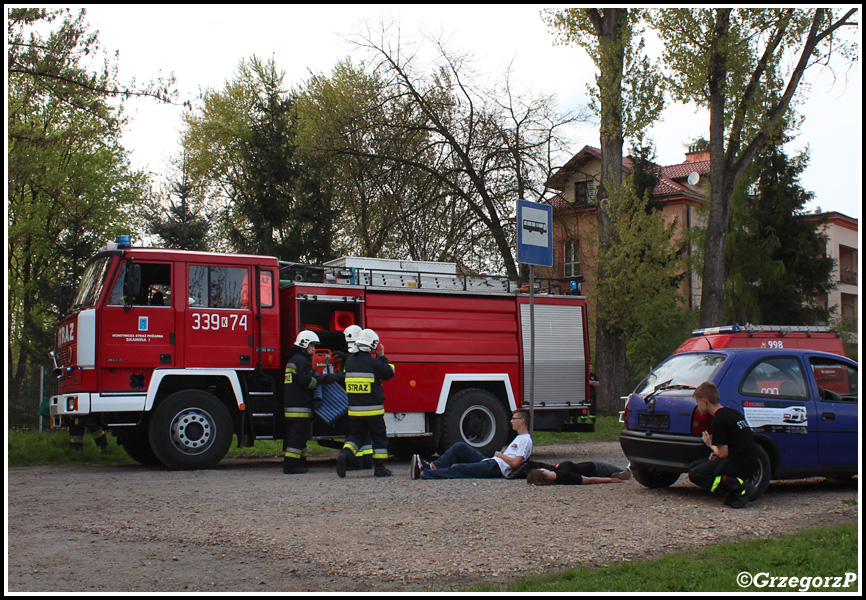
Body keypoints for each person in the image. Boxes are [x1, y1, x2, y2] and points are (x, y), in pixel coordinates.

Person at [687, 382, 760, 508]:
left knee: (696, 474)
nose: (698, 408)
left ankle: (741, 487)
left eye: (698, 403)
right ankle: (734, 491)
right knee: (695, 465)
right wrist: (716, 453)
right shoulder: (732, 413)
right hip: (750, 460)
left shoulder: (718, 420)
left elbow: (723, 453)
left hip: (741, 464)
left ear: (705, 401)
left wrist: (710, 444)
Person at [336, 328, 394, 478]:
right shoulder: (373, 363)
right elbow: (390, 372)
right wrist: (382, 357)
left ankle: (345, 455)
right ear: (372, 346)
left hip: (355, 411)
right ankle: (380, 468)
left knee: (355, 437)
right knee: (379, 438)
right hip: (373, 412)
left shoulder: (349, 362)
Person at [410, 410, 533, 480]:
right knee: (460, 447)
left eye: (514, 419)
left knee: (460, 469)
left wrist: (500, 455)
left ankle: (424, 473)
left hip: (496, 468)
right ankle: (432, 466)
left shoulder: (526, 440)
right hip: (491, 462)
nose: (511, 421)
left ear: (522, 421)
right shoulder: (519, 438)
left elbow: (516, 463)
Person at [282, 330, 323, 474]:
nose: (314, 349)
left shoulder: (294, 359)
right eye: (312, 346)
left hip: (292, 405)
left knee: (300, 436)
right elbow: (306, 382)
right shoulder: (303, 361)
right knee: (298, 436)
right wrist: (318, 380)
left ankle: (301, 462)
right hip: (300, 406)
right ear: (304, 345)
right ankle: (290, 465)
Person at [526, 461, 631, 485]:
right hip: (596, 468)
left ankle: (615, 474)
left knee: (615, 471)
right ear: (542, 472)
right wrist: (610, 480)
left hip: (592, 465)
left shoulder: (554, 471)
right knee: (622, 471)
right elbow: (589, 480)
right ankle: (628, 470)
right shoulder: (564, 477)